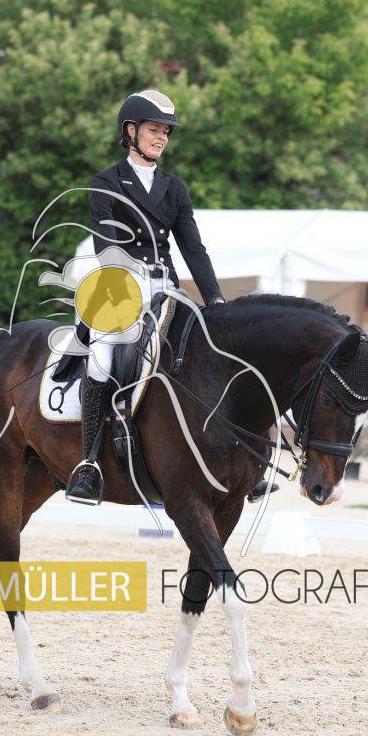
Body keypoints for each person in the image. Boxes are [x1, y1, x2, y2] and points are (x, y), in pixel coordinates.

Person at [65, 89, 236, 505]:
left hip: (166, 286)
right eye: (154, 130)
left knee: (211, 353)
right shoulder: (106, 182)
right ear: (131, 131)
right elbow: (106, 245)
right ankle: (89, 463)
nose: (161, 138)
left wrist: (215, 300)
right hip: (120, 282)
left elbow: (193, 248)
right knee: (103, 355)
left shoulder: (174, 188)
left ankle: (233, 458)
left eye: (165, 132)